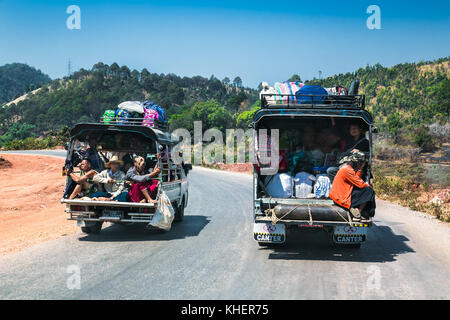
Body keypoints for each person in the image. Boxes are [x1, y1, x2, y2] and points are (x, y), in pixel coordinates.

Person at [329, 152, 375, 222]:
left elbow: (356, 179)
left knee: (367, 190)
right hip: (342, 198)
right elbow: (360, 184)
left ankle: (358, 212)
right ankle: (358, 213)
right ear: (357, 163)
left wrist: (360, 169)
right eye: (361, 163)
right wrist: (369, 185)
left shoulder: (348, 168)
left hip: (342, 195)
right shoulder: (347, 170)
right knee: (369, 191)